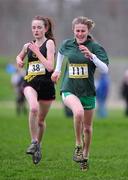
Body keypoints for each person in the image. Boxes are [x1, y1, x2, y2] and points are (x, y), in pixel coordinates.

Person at [51, 16, 109, 171]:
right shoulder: (67, 44)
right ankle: (78, 144)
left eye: (83, 31)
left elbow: (105, 69)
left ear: (88, 31)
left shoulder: (95, 47)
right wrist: (57, 70)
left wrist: (92, 56)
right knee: (78, 113)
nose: (80, 33)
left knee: (88, 128)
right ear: (73, 30)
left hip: (88, 91)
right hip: (69, 88)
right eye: (77, 30)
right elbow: (61, 54)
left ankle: (85, 155)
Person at [16, 16, 56, 164]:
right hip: (30, 82)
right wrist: (20, 60)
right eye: (34, 28)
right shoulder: (28, 45)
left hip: (46, 85)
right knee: (33, 108)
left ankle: (38, 145)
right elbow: (19, 57)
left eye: (39, 27)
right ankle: (33, 141)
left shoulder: (49, 43)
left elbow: (50, 67)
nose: (36, 30)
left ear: (45, 29)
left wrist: (37, 51)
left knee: (40, 121)